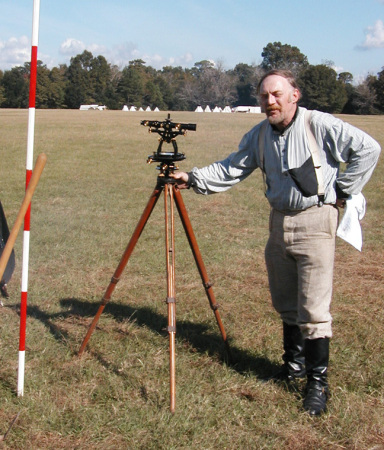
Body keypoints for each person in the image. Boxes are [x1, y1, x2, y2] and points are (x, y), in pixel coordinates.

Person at [171, 69, 381, 416]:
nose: (270, 101)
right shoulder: (258, 135)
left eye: (277, 94)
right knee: (285, 302)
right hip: (279, 221)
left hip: (316, 220)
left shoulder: (318, 124)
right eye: (264, 96)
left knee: (313, 307)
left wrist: (343, 190)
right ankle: (292, 367)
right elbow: (231, 168)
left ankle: (317, 384)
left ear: (294, 95)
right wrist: (192, 177)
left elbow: (368, 148)